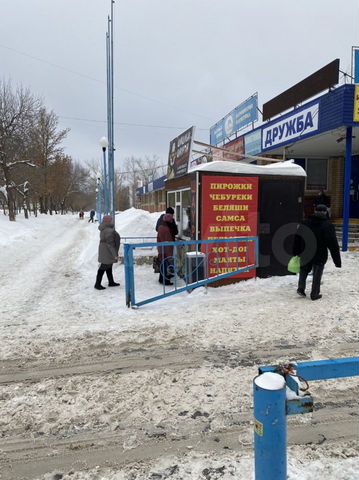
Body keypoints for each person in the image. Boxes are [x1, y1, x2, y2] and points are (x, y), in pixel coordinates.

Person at [292, 204, 341, 301]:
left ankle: (301, 288)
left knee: (304, 270)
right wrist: (337, 261)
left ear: (315, 211)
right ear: (325, 212)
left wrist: (296, 252)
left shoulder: (305, 223)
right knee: (317, 273)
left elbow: (297, 238)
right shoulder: (327, 225)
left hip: (305, 252)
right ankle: (314, 293)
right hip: (320, 254)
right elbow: (333, 244)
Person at [94, 215, 121, 290]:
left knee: (108, 266)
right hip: (107, 251)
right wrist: (115, 254)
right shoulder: (109, 230)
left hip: (104, 250)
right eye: (111, 220)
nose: (112, 221)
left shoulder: (105, 229)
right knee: (103, 267)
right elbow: (110, 244)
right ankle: (97, 284)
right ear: (108, 221)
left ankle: (111, 282)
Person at [157, 212, 175, 285]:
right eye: (170, 221)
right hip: (165, 250)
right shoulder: (165, 229)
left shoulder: (161, 227)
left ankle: (161, 279)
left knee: (163, 263)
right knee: (164, 264)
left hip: (162, 249)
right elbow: (167, 240)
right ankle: (165, 280)